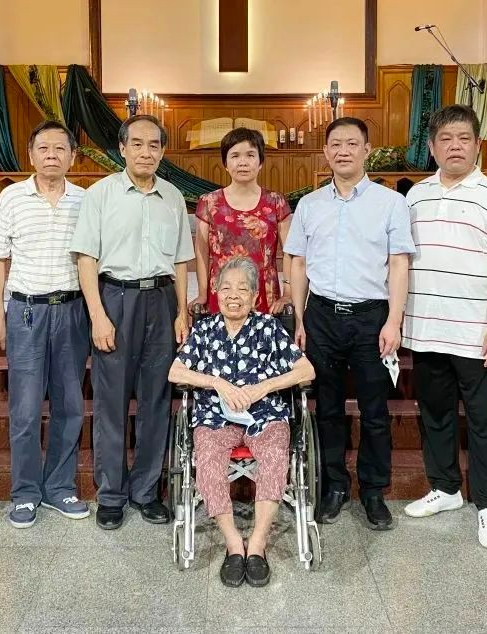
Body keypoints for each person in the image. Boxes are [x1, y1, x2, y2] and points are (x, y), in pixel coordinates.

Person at [401, 105, 487, 550]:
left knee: (485, 421)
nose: (455, 146)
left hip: (477, 331)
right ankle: (446, 489)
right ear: (431, 147)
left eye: (464, 138)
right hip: (427, 328)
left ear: (477, 145)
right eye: (446, 138)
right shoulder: (414, 197)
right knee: (434, 415)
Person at [284, 116, 415, 530]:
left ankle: (374, 491)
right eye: (335, 144)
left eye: (352, 143)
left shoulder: (390, 203)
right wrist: (300, 318)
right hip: (321, 316)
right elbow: (298, 263)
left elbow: (398, 264)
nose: (343, 150)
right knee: (327, 408)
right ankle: (334, 486)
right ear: (325, 152)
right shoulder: (310, 204)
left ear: (366, 150)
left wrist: (394, 321)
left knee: (375, 409)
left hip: (371, 318)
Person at [70, 114, 195, 530]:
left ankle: (145, 492)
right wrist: (98, 316)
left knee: (156, 402)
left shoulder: (174, 196)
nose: (146, 152)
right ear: (122, 149)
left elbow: (180, 261)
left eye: (154, 145)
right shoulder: (100, 194)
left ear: (163, 151)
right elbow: (86, 258)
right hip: (115, 300)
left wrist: (181, 312)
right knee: (111, 403)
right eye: (137, 144)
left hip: (161, 302)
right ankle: (110, 495)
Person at [169, 256, 315, 588]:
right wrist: (218, 383)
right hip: (216, 417)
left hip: (265, 415)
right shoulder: (205, 329)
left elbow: (306, 370)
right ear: (216, 292)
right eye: (227, 288)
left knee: (277, 455)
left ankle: (258, 545)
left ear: (254, 297)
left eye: (243, 289)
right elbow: (175, 372)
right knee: (205, 456)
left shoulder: (268, 327)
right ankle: (234, 543)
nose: (234, 295)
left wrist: (262, 387)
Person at [0, 120, 90, 528]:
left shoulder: (85, 200)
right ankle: (25, 492)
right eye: (43, 148)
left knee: (69, 404)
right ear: (31, 155)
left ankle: (60, 487)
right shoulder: (11, 198)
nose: (52, 156)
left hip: (71, 310)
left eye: (60, 149)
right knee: (25, 408)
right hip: (25, 310)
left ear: (72, 157)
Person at [191, 128, 293, 314]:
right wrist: (202, 293)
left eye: (250, 155)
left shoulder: (276, 202)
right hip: (222, 291)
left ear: (260, 162)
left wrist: (288, 293)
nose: (243, 162)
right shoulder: (209, 202)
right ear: (225, 163)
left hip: (264, 291)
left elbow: (290, 252)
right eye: (235, 155)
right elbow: (202, 252)